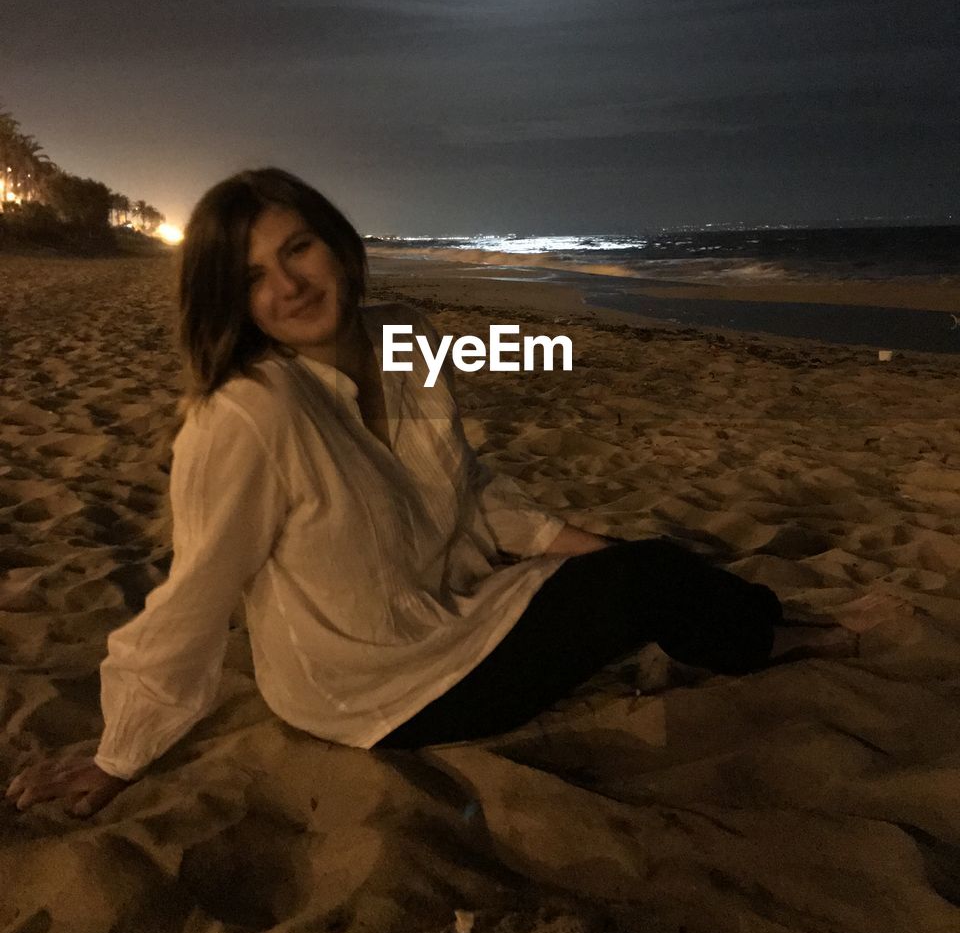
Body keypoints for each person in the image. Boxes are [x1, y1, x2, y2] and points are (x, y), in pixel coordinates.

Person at [5, 168, 841, 818]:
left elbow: (469, 488)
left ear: (336, 244)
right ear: (234, 301)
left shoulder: (405, 336)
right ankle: (779, 637)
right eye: (254, 275)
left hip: (452, 612)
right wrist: (123, 752)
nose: (288, 285)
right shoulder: (246, 417)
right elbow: (194, 595)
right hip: (370, 688)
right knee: (646, 580)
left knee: (640, 563)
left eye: (297, 248)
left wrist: (583, 547)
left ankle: (764, 616)